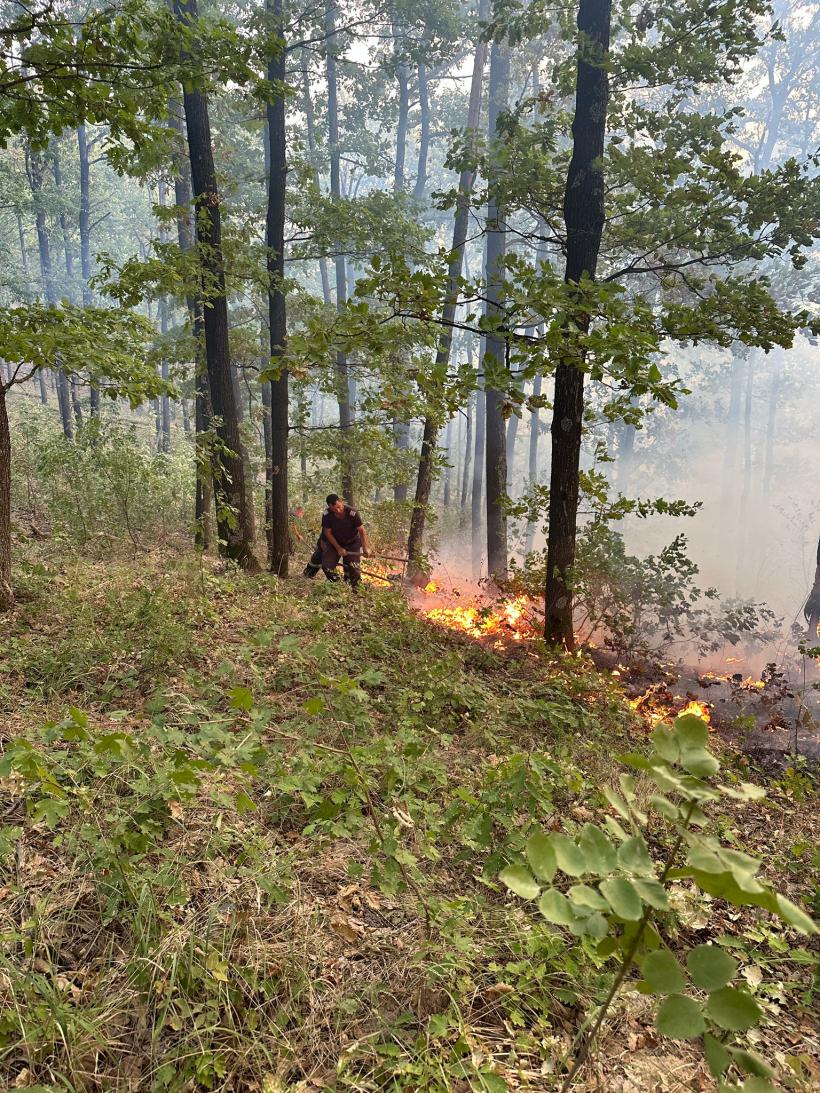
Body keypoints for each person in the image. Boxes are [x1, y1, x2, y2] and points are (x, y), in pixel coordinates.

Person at [303, 494, 371, 588]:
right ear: (330, 507)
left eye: (339, 507)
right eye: (334, 509)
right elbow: (328, 533)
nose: (338, 510)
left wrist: (365, 548)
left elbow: (362, 531)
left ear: (341, 502)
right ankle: (337, 586)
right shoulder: (327, 514)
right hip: (335, 543)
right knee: (327, 566)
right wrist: (338, 548)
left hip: (352, 542)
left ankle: (356, 588)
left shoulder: (352, 512)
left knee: (354, 568)